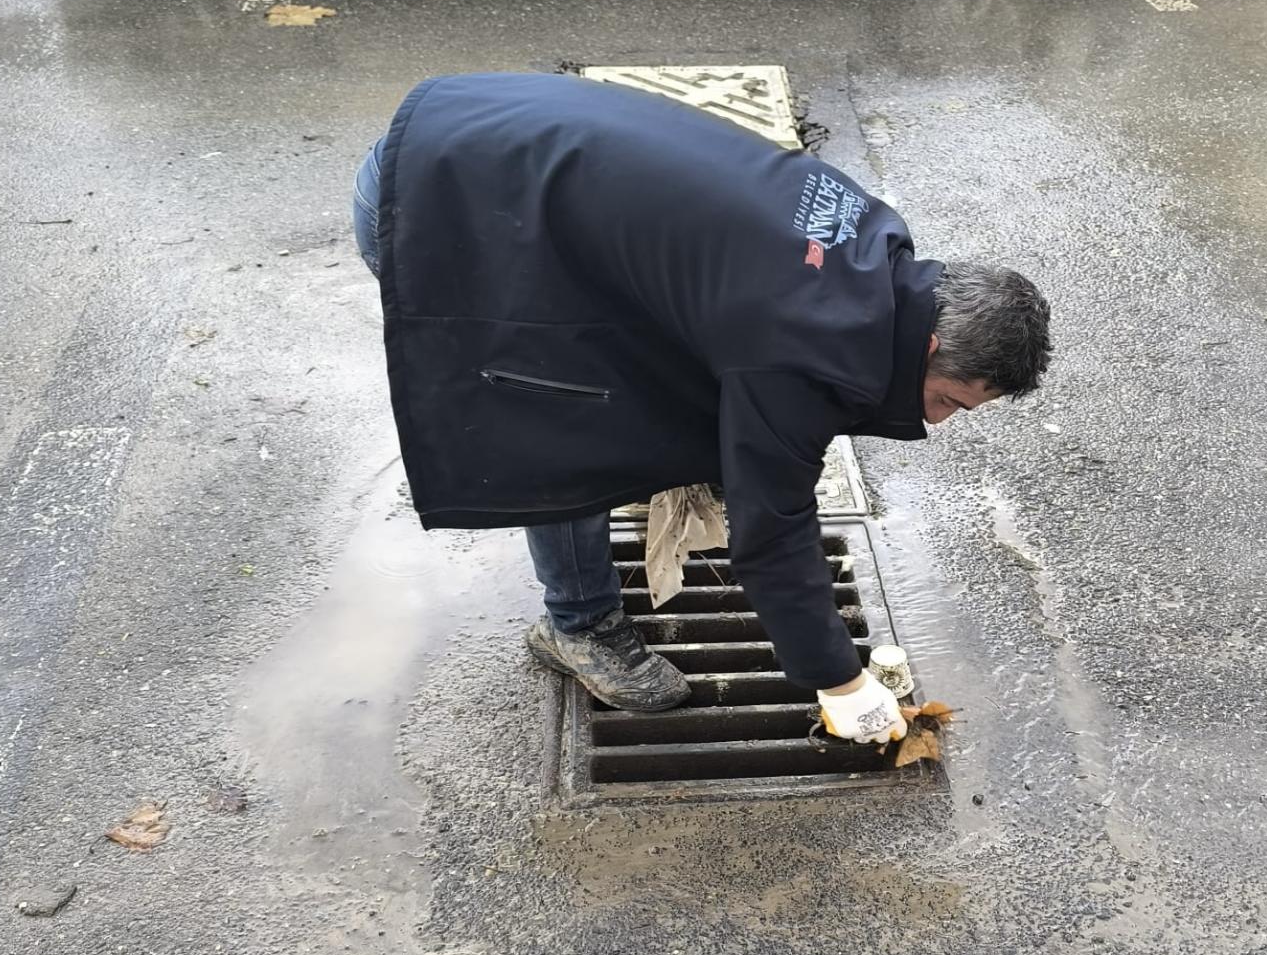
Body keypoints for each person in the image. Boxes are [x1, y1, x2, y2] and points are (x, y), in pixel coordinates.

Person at [351, 72, 1051, 745]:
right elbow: (773, 531)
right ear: (929, 345)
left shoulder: (868, 241)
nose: (936, 421)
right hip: (442, 200)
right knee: (560, 415)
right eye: (947, 400)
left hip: (486, 125)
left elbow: (717, 344)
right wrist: (841, 683)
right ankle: (579, 623)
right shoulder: (802, 341)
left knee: (640, 383)